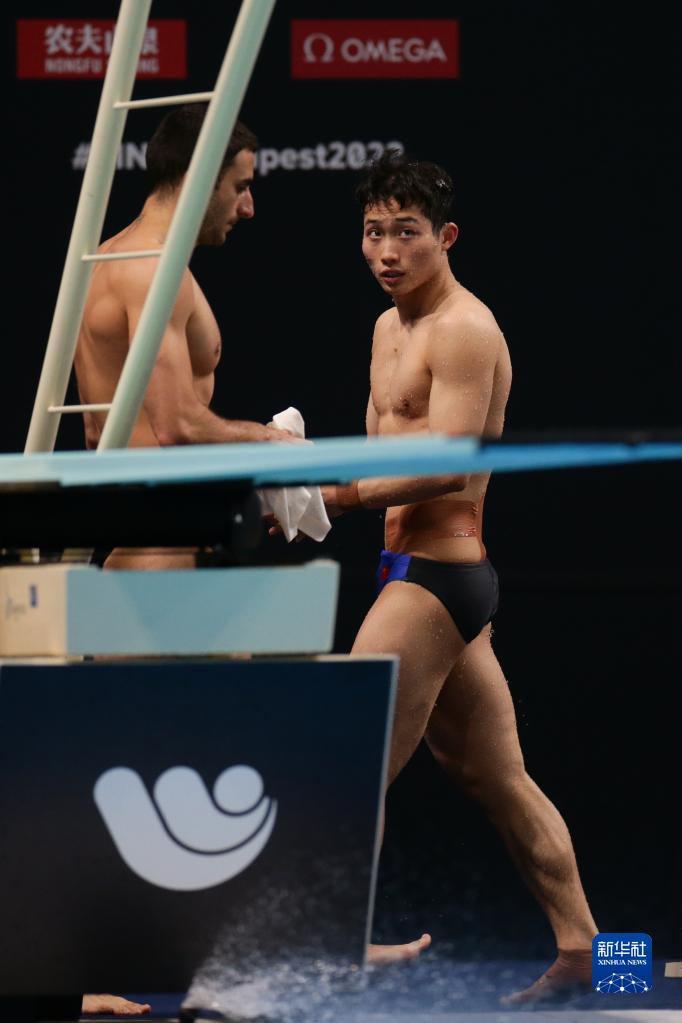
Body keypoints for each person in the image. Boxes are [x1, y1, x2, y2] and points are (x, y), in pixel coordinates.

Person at [321, 152, 597, 1003]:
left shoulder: (465, 329)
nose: (387, 250)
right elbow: (380, 454)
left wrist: (340, 495)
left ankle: (331, 946)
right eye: (374, 231)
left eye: (406, 232)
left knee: (342, 763)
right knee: (502, 782)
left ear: (445, 236)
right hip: (413, 576)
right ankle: (594, 955)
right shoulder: (387, 327)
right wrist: (301, 479)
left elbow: (445, 465)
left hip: (437, 581)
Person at [75, 104, 294, 571]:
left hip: (144, 529)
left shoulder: (108, 257)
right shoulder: (154, 271)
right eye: (240, 187)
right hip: (161, 539)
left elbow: (99, 432)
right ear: (199, 179)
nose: (248, 208)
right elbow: (177, 426)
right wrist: (271, 440)